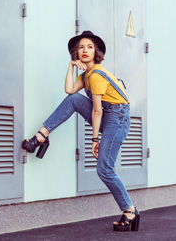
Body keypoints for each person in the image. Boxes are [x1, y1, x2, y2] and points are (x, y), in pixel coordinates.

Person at [22, 31, 140, 232]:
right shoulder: (86, 75)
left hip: (117, 117)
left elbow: (97, 110)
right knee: (74, 99)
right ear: (76, 52)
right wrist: (70, 66)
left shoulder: (95, 76)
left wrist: (95, 139)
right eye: (81, 47)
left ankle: (130, 210)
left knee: (104, 169)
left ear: (97, 52)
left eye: (90, 47)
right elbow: (70, 90)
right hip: (110, 115)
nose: (85, 50)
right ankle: (42, 136)